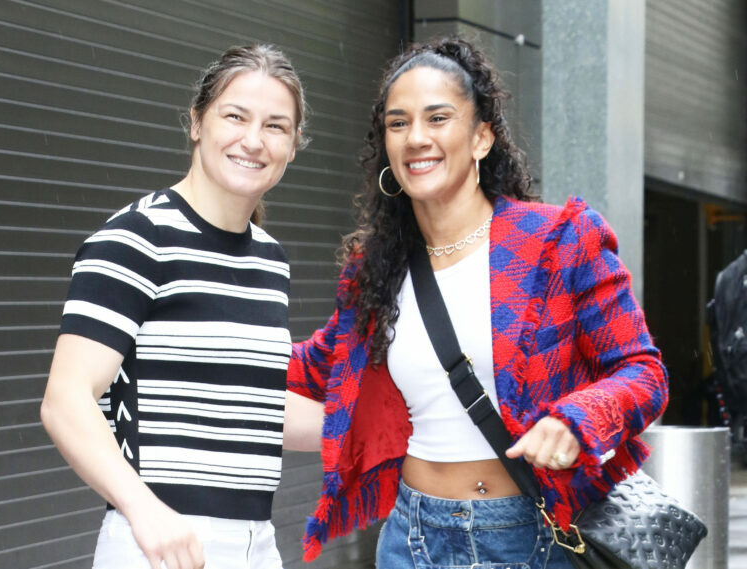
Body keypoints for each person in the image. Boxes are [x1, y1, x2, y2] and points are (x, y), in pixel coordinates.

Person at [287, 37, 669, 568]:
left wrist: (575, 420)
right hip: (411, 538)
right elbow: (315, 366)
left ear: (482, 137)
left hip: (530, 537)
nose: (416, 138)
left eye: (437, 118)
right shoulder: (377, 268)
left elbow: (643, 372)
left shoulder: (560, 241)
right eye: (398, 124)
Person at [40, 44, 322, 569]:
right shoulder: (136, 238)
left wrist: (387, 422)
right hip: (156, 540)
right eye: (235, 116)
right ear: (197, 122)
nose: (253, 140)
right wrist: (144, 510)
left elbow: (256, 409)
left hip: (258, 543)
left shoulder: (270, 261)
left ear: (293, 144)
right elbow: (64, 399)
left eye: (276, 126)